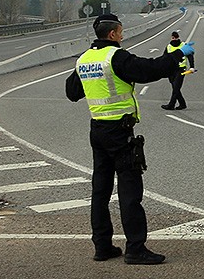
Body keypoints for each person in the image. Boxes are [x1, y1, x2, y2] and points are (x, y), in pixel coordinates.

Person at [66, 13, 184, 265]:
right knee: (130, 190)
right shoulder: (115, 57)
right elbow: (148, 70)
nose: (122, 36)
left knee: (100, 190)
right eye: (120, 32)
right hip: (120, 132)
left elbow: (72, 92)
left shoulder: (84, 59)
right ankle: (135, 248)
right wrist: (177, 55)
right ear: (112, 34)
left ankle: (102, 246)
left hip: (97, 130)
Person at [161, 31, 196, 110]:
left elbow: (190, 56)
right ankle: (182, 104)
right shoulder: (169, 46)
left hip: (181, 69)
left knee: (176, 87)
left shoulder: (183, 46)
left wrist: (192, 67)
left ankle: (171, 105)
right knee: (175, 87)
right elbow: (164, 58)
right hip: (172, 70)